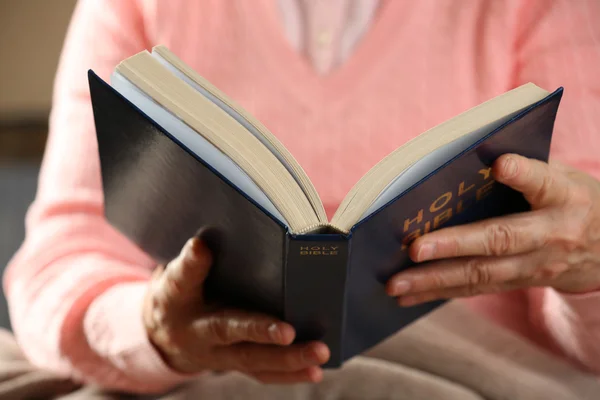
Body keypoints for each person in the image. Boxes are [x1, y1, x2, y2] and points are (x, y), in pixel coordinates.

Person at [3, 0, 600, 395]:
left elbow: (577, 271)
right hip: (200, 375)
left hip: (459, 368)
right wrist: (152, 329)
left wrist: (590, 267)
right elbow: (61, 258)